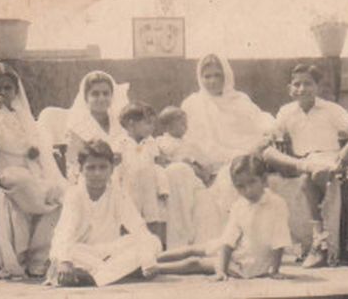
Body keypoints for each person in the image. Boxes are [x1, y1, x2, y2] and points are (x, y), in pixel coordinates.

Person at [0, 62, 67, 278]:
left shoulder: (21, 113)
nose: (3, 93)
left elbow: (36, 139)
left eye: (7, 88)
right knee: (26, 185)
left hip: (28, 170)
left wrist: (38, 150)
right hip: (1, 170)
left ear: (15, 89)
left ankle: (38, 258)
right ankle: (22, 256)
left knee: (59, 195)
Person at [143, 154, 292, 280]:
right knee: (193, 249)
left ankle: (155, 268)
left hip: (247, 263)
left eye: (252, 182)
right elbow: (228, 241)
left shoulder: (277, 204)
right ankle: (150, 258)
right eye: (241, 186)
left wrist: (274, 270)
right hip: (234, 250)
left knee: (195, 263)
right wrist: (221, 268)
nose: (248, 191)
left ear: (264, 179)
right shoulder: (239, 205)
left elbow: (280, 239)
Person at [275, 64, 348, 268]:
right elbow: (273, 134)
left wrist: (347, 151)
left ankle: (321, 244)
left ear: (317, 87)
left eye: (308, 83)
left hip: (330, 159)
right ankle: (321, 243)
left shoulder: (330, 109)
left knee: (314, 177)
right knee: (307, 175)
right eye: (297, 84)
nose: (302, 89)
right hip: (304, 161)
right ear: (290, 88)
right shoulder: (286, 112)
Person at [180, 53, 276, 244]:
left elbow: (262, 120)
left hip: (239, 156)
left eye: (217, 75)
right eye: (207, 76)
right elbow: (187, 139)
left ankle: (234, 241)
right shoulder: (192, 104)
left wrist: (268, 132)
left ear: (226, 77)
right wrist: (197, 163)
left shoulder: (239, 100)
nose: (212, 81)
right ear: (200, 78)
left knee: (232, 173)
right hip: (206, 162)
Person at [45, 140, 162, 287]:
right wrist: (65, 261)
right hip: (80, 252)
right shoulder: (74, 195)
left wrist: (147, 258)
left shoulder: (118, 194)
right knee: (65, 254)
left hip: (108, 253)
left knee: (152, 242)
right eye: (91, 168)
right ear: (80, 169)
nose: (97, 173)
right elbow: (65, 232)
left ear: (112, 169)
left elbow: (137, 227)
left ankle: (92, 277)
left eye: (103, 167)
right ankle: (105, 275)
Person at [116, 102, 170, 242]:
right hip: (128, 188)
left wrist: (163, 187)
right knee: (128, 219)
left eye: (153, 124)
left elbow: (158, 167)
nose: (152, 128)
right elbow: (116, 170)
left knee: (152, 219)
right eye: (148, 123)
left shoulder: (150, 143)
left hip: (149, 188)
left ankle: (154, 251)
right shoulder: (121, 143)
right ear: (131, 124)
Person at [65, 71, 128, 184]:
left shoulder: (120, 121)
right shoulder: (77, 127)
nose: (101, 98)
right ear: (86, 97)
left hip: (123, 174)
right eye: (95, 94)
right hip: (93, 177)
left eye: (106, 93)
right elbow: (73, 163)